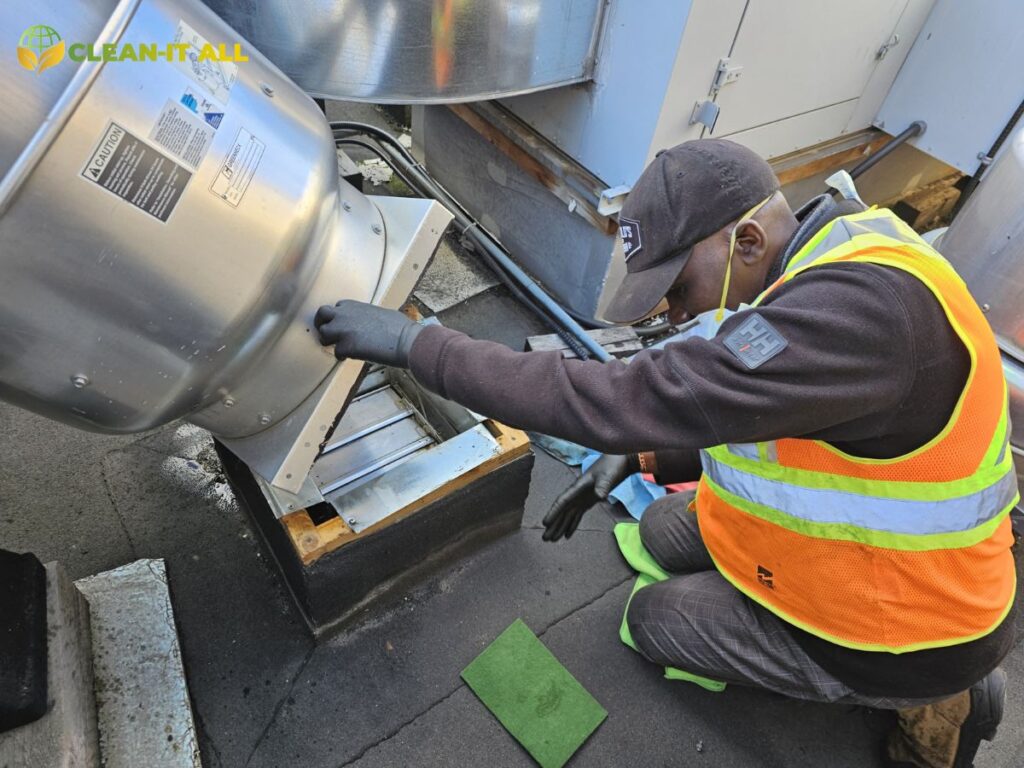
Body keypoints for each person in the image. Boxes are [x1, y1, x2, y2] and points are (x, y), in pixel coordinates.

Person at [315, 139, 1018, 768]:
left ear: (744, 241)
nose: (676, 314)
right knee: (658, 528)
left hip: (911, 622)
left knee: (658, 621)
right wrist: (645, 458)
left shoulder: (858, 318)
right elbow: (782, 421)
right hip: (864, 547)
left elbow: (627, 395)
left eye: (678, 289)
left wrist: (422, 348)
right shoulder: (830, 256)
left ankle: (945, 694)